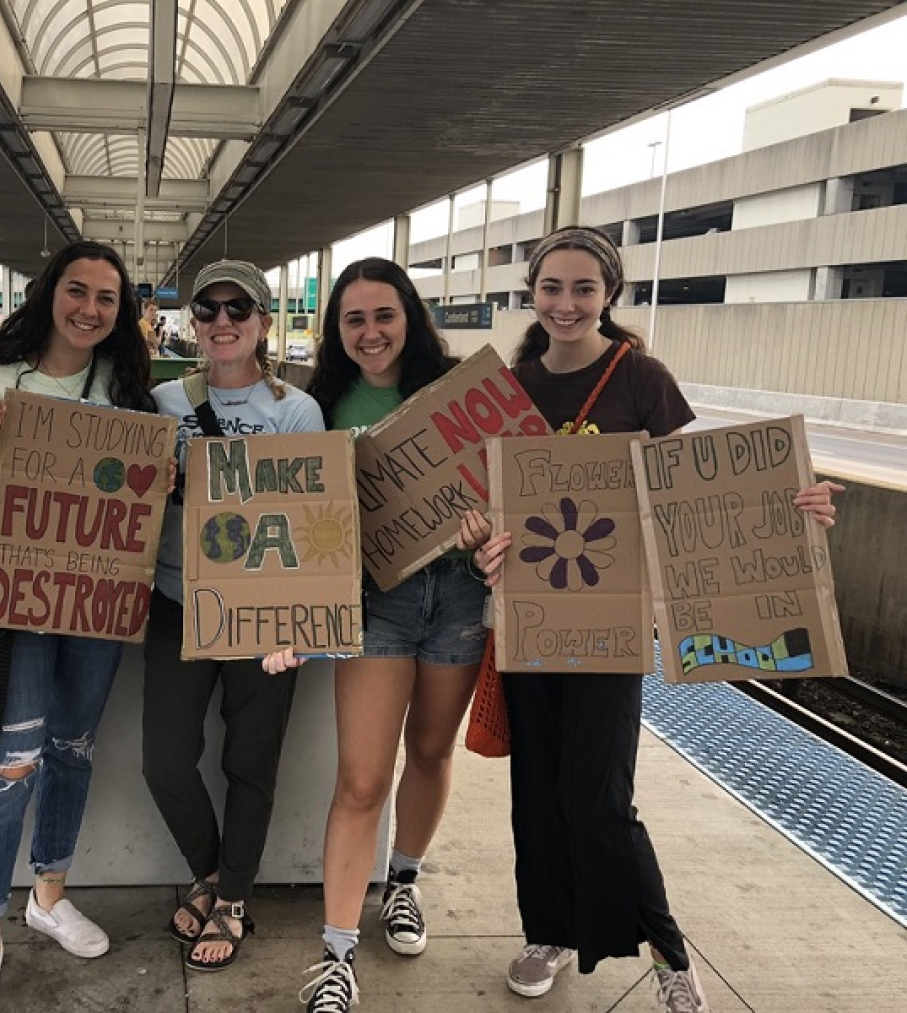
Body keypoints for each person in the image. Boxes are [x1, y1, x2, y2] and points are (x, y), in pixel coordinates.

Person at [460, 225, 842, 1013]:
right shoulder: (511, 387)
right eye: (552, 288)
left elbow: (701, 491)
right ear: (531, 293)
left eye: (584, 289)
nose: (566, 304)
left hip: (611, 627)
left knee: (599, 796)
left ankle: (667, 949)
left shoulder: (643, 379)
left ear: (610, 295)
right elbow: (485, 507)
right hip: (528, 621)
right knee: (538, 791)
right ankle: (551, 929)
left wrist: (792, 503)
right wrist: (478, 545)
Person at [262, 258, 489, 1012]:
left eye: (383, 315)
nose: (369, 332)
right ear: (335, 330)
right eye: (352, 319)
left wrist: (490, 527)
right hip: (373, 600)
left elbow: (514, 482)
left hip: (458, 594)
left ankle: (404, 881)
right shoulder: (317, 403)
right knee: (362, 778)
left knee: (430, 750)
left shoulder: (458, 392)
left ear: (410, 317)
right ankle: (335, 951)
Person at [0, 240, 157, 1013]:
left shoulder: (131, 389)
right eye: (78, 291)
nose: (91, 309)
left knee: (72, 746)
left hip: (99, 601)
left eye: (108, 299)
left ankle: (49, 891)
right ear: (49, 292)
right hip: (18, 596)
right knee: (13, 759)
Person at [142, 260, 324, 973]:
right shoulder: (161, 401)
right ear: (193, 321)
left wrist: (301, 621)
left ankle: (234, 896)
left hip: (261, 612)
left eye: (238, 308)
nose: (223, 321)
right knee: (164, 759)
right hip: (176, 601)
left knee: (249, 759)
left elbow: (312, 522)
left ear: (263, 319)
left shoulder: (295, 412)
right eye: (208, 309)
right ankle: (211, 870)